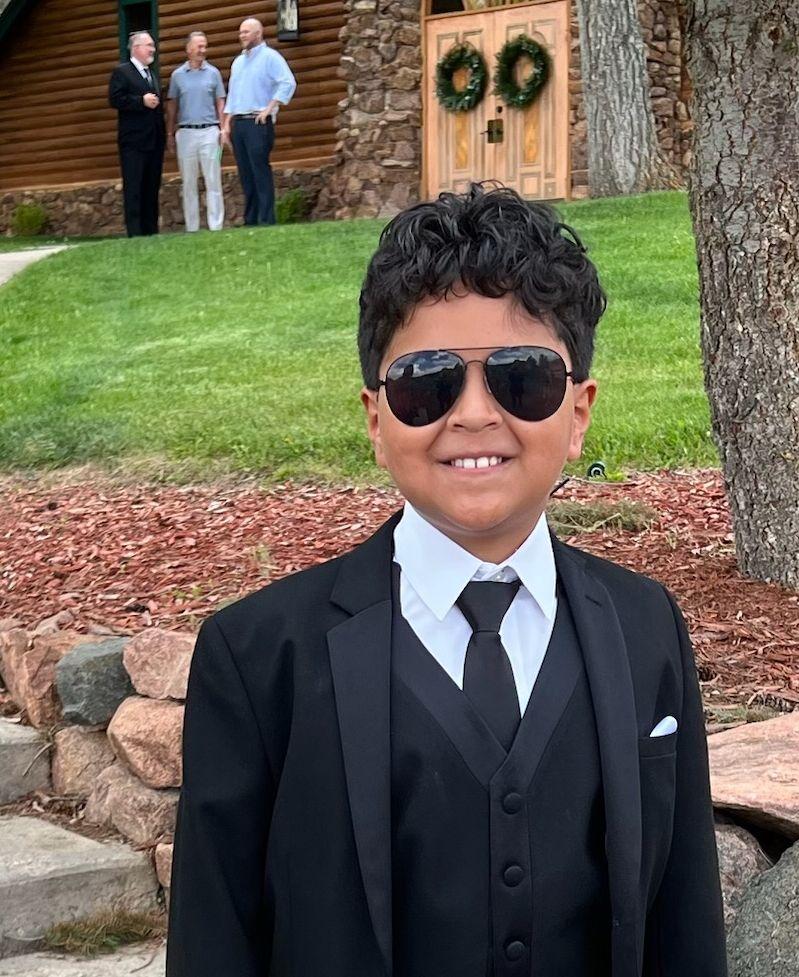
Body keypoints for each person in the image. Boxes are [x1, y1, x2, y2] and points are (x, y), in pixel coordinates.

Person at [166, 183, 727, 977]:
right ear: (376, 419)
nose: (472, 414)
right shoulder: (258, 657)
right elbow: (213, 939)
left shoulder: (644, 628)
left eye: (521, 377)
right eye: (427, 381)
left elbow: (684, 921)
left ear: (577, 413)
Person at [221, 17, 296, 226]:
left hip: (258, 122)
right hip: (239, 123)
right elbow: (233, 96)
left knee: (259, 168)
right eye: (240, 32)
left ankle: (266, 218)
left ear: (258, 33)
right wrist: (226, 125)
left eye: (246, 32)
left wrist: (269, 108)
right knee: (245, 171)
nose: (242, 36)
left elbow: (287, 82)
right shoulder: (238, 62)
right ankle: (251, 218)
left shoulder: (270, 57)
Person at [166, 31, 226, 233]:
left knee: (213, 180)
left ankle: (216, 226)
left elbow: (220, 101)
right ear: (188, 49)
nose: (203, 50)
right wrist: (170, 134)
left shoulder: (213, 73)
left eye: (205, 46)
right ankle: (192, 227)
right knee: (188, 183)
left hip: (210, 132)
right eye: (199, 46)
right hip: (186, 134)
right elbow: (172, 105)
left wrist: (223, 128)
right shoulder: (177, 76)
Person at [108, 31, 165, 237]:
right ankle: (135, 232)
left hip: (154, 141)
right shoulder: (122, 72)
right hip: (134, 142)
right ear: (136, 48)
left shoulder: (151, 75)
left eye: (153, 45)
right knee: (134, 188)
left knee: (151, 187)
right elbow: (115, 99)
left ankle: (151, 231)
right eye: (149, 45)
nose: (152, 50)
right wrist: (140, 101)